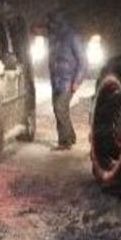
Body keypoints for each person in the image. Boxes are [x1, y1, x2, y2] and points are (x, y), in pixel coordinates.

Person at [45, 10, 87, 149]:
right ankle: (70, 136)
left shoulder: (72, 37)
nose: (50, 25)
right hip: (56, 79)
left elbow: (83, 62)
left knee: (60, 108)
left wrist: (77, 81)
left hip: (68, 80)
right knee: (60, 109)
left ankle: (65, 142)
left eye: (52, 22)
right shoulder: (54, 36)